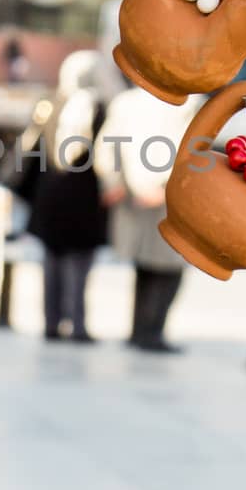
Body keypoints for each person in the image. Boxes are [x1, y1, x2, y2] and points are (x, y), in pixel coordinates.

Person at [97, 86, 199, 353]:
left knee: (145, 266)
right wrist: (165, 188)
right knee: (168, 269)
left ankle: (141, 331)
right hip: (167, 198)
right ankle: (151, 332)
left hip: (134, 193)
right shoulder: (188, 102)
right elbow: (191, 149)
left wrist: (113, 182)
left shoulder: (125, 101)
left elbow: (107, 145)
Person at [18, 52, 107, 343]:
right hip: (84, 198)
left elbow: (33, 148)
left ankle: (51, 323)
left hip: (49, 193)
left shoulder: (50, 104)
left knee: (51, 262)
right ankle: (77, 325)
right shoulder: (99, 108)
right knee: (79, 265)